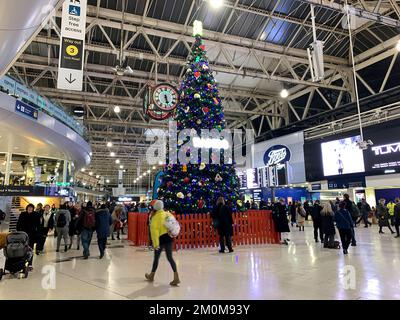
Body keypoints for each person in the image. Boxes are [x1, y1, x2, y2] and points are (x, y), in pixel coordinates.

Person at [145, 200, 180, 286]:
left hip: (160, 240)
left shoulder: (155, 218)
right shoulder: (168, 214)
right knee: (170, 258)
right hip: (168, 238)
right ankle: (176, 277)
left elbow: (154, 233)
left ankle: (151, 275)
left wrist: (156, 244)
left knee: (156, 259)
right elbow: (174, 224)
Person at [16, 204, 41, 269]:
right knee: (22, 249)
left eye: (31, 208)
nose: (30, 209)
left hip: (32, 235)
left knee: (30, 249)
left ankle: (30, 264)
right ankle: (22, 263)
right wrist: (18, 231)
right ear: (27, 208)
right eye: (29, 208)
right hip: (23, 234)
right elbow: (18, 224)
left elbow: (38, 225)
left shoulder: (36, 215)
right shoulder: (23, 214)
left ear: (33, 208)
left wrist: (38, 233)